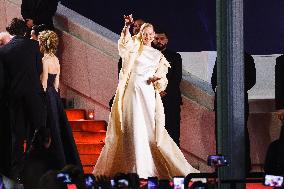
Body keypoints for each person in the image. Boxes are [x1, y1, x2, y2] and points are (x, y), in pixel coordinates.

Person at [93, 14, 199, 179]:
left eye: (151, 33)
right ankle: (133, 167)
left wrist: (157, 80)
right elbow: (123, 45)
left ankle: (146, 168)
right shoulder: (134, 49)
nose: (149, 36)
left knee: (148, 130)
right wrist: (127, 26)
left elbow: (163, 79)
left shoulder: (158, 56)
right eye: (145, 33)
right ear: (141, 34)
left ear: (154, 34)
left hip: (147, 94)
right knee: (131, 127)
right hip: (131, 94)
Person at [0, 18, 47, 180]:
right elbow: (39, 69)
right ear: (24, 31)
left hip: (15, 99)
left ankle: (16, 172)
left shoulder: (3, 51)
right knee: (36, 132)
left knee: (17, 136)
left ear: (11, 31)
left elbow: (3, 80)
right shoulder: (34, 46)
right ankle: (36, 170)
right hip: (34, 95)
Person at [38, 30, 82, 170]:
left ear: (43, 43)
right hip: (55, 97)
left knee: (49, 128)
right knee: (58, 128)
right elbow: (56, 84)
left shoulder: (44, 60)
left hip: (46, 96)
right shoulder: (56, 60)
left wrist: (41, 100)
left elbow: (44, 83)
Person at [211, 52, 256, 173]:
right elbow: (214, 78)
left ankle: (244, 168)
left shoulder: (247, 57)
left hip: (239, 102)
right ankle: (220, 169)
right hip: (221, 103)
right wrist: (217, 89)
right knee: (220, 135)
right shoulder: (220, 57)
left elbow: (252, 80)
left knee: (241, 135)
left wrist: (235, 89)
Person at [152, 29, 182, 147]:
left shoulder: (175, 57)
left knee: (172, 133)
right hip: (152, 100)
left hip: (170, 100)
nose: (159, 41)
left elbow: (176, 78)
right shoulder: (147, 56)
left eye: (162, 38)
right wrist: (155, 91)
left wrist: (164, 91)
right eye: (156, 38)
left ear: (167, 40)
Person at [109, 18, 145, 109]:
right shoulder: (128, 45)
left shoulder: (150, 48)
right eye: (135, 26)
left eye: (140, 26)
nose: (136, 28)